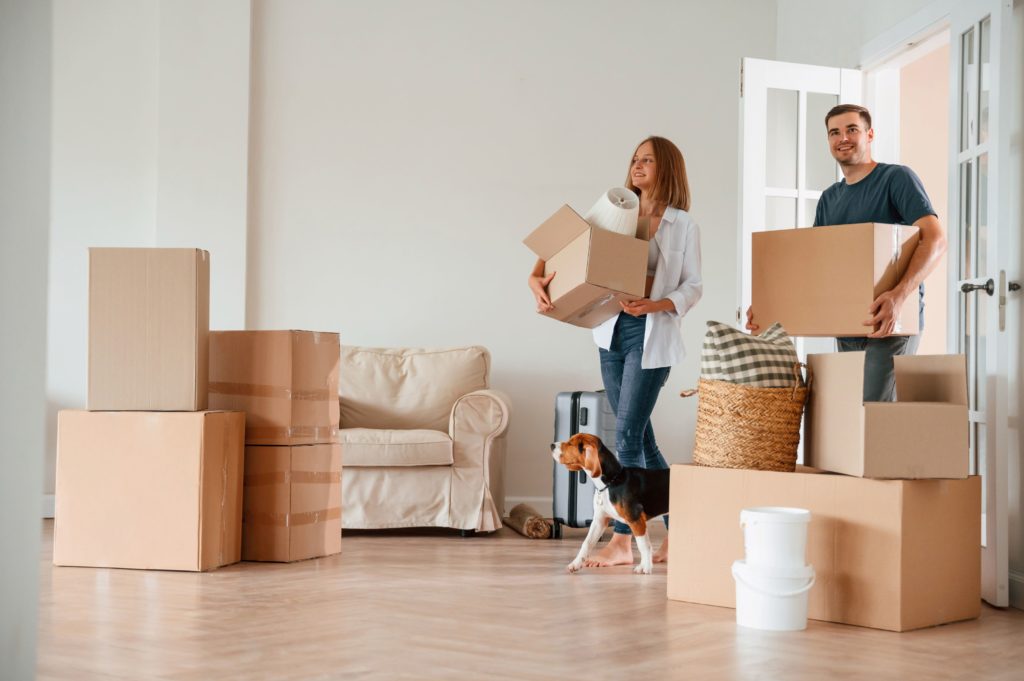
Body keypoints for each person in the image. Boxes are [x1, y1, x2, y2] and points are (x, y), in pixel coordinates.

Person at [529, 136, 702, 567]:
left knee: (625, 434)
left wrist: (656, 304)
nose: (637, 166)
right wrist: (536, 278)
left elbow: (692, 287)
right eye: (634, 159)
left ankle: (624, 537)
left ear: (667, 168)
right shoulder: (615, 210)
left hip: (653, 335)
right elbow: (561, 250)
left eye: (647, 159)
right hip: (610, 332)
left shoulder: (683, 224)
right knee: (640, 436)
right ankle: (684, 528)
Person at [747, 104, 947, 402]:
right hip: (847, 323)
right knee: (855, 416)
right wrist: (769, 307)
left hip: (889, 324)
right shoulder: (830, 198)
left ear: (869, 134)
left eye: (852, 129)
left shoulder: (896, 179)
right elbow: (816, 265)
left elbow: (935, 239)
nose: (843, 138)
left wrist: (899, 295)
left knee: (875, 411)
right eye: (834, 132)